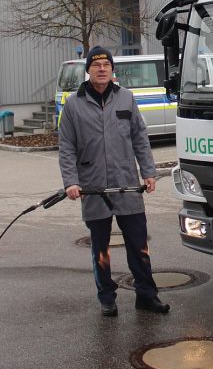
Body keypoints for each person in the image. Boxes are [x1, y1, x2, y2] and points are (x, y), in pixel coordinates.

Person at [58, 46, 168, 317]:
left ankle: (146, 295)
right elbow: (67, 147)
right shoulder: (74, 104)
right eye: (96, 65)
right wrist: (71, 181)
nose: (102, 69)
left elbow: (140, 138)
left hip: (127, 183)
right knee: (101, 248)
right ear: (88, 70)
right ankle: (107, 297)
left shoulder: (126, 99)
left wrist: (149, 172)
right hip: (93, 186)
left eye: (106, 64)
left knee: (139, 245)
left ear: (112, 68)